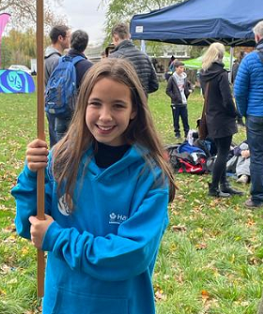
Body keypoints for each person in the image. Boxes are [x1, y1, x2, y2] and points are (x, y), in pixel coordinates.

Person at [12, 59, 176, 314]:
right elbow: (28, 226)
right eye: (96, 104)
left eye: (118, 106)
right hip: (63, 303)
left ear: (134, 110)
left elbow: (132, 255)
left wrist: (57, 237)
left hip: (123, 306)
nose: (105, 116)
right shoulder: (61, 159)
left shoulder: (150, 174)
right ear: (83, 105)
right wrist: (32, 175)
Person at [234, 19, 263, 208]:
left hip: (256, 115)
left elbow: (239, 91)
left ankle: (258, 198)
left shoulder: (250, 59)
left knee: (257, 156)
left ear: (257, 37)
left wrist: (244, 112)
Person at [199, 43, 243, 198]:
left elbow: (206, 96)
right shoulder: (221, 74)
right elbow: (227, 100)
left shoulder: (203, 73)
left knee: (220, 152)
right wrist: (236, 114)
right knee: (223, 153)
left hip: (211, 117)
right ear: (220, 55)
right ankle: (214, 188)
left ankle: (224, 185)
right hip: (223, 119)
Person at [53, 29, 93, 141]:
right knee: (76, 150)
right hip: (77, 115)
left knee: (58, 149)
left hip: (60, 111)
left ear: (71, 43)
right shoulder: (88, 66)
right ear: (85, 46)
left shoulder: (59, 62)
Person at [109, 23, 159, 95]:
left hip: (122, 102)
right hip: (142, 103)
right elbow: (154, 85)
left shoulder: (113, 58)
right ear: (129, 35)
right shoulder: (145, 57)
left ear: (115, 37)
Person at [44, 25, 71, 146]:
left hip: (50, 106)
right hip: (59, 108)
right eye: (69, 36)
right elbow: (61, 88)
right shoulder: (56, 60)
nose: (71, 39)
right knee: (60, 145)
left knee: (54, 143)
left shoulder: (47, 57)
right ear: (61, 38)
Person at [165, 60, 192, 139]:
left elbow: (189, 85)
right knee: (176, 119)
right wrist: (174, 97)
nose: (182, 69)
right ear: (176, 68)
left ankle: (187, 132)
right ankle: (177, 133)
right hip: (176, 103)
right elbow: (168, 90)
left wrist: (189, 90)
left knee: (185, 118)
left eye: (183, 68)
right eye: (180, 67)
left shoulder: (184, 77)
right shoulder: (172, 78)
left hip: (184, 102)